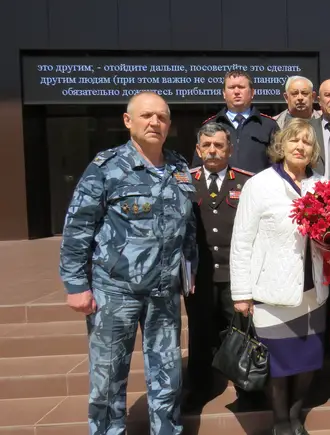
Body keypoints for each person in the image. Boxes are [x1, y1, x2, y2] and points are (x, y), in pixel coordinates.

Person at [59, 91, 197, 435]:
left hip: (164, 292)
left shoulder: (179, 167)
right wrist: (76, 285)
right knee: (108, 377)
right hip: (115, 291)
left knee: (167, 374)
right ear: (128, 121)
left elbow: (188, 224)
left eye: (162, 118)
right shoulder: (106, 168)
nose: (155, 123)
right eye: (147, 116)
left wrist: (189, 268)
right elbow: (78, 227)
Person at [229, 118, 330, 435]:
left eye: (307, 142)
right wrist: (241, 293)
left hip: (312, 291)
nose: (301, 146)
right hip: (271, 292)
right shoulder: (259, 184)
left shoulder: (321, 184)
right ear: (282, 146)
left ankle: (294, 415)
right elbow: (241, 242)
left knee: (307, 362)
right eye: (295, 140)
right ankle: (279, 422)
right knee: (277, 365)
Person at [184, 122, 254, 411]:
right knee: (200, 332)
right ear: (198, 149)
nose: (213, 150)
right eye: (207, 145)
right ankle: (200, 387)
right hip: (199, 274)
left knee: (240, 332)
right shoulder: (183, 181)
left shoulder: (247, 181)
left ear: (230, 149)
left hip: (235, 273)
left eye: (219, 145)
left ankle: (248, 388)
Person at [192, 69, 280, 173]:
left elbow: (279, 164)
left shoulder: (268, 125)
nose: (237, 92)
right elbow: (198, 167)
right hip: (221, 188)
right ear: (224, 93)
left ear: (252, 92)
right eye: (231, 88)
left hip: (258, 187)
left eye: (241, 87)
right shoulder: (211, 125)